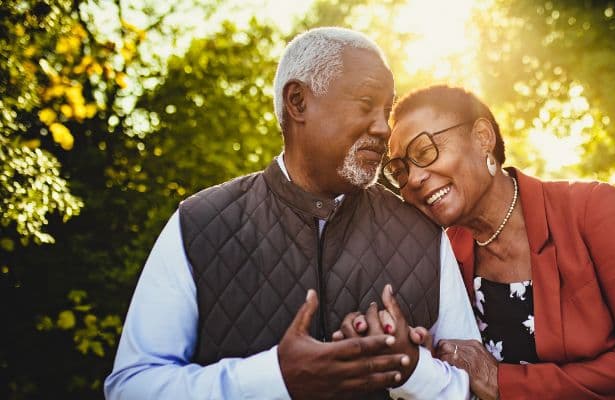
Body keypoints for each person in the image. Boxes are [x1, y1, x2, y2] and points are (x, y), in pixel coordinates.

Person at [104, 29, 478, 399]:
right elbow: (131, 386)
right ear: (298, 101)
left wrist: (411, 370)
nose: (383, 127)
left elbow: (474, 388)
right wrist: (275, 378)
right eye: (366, 104)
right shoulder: (199, 223)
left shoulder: (423, 235)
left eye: (386, 111)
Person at [382, 85, 615, 399]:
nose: (413, 179)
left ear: (482, 138)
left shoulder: (592, 208)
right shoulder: (443, 256)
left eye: (424, 152)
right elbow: (459, 373)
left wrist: (504, 382)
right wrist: (425, 359)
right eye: (399, 171)